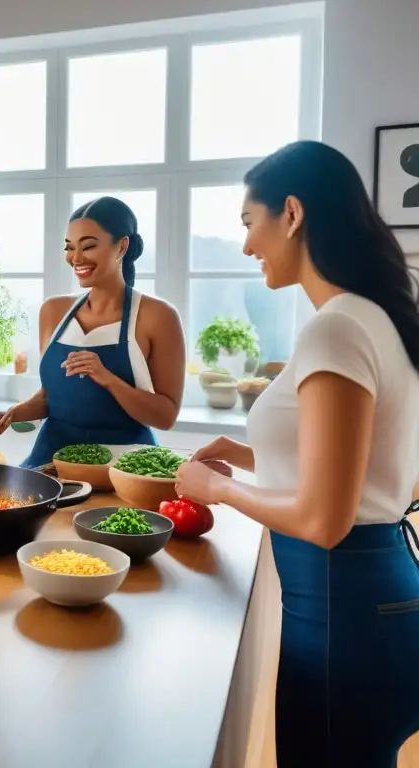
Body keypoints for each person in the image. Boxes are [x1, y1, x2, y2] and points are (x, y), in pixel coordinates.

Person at [173, 140, 419, 767]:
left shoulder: (335, 327)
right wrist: (251, 453)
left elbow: (325, 519)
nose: (249, 245)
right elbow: (374, 473)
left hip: (343, 608)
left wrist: (216, 489)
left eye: (249, 224)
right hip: (377, 600)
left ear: (292, 212)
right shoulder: (377, 317)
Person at [0, 196, 186, 468]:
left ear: (121, 246)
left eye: (88, 246)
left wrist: (107, 378)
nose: (76, 258)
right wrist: (11, 414)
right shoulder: (54, 311)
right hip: (52, 459)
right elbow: (49, 397)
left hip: (124, 463)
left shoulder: (157, 316)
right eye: (69, 248)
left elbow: (165, 416)